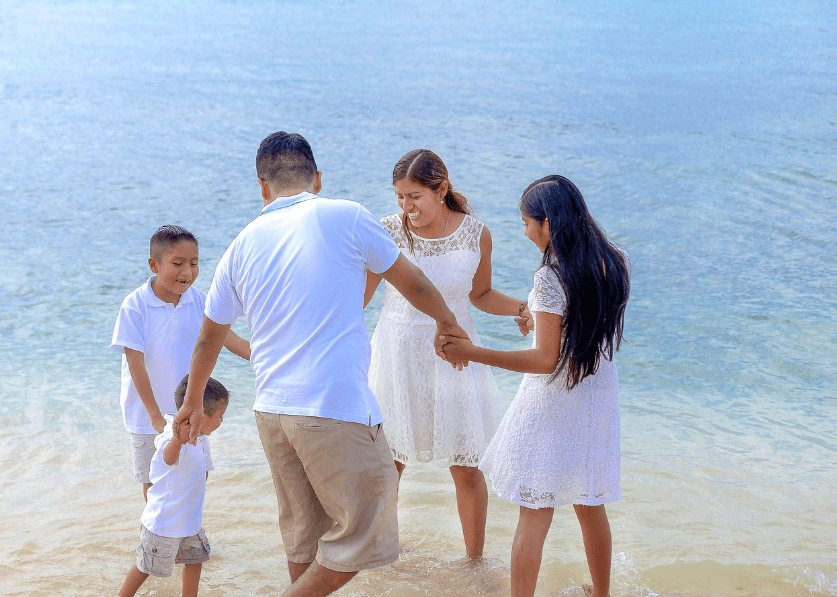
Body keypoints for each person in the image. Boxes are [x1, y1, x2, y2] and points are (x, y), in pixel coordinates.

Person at [173, 131, 470, 597]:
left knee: (304, 540)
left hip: (272, 413)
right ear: (317, 178)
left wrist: (191, 403)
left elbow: (208, 337)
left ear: (262, 187)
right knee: (365, 534)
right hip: (334, 406)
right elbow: (413, 284)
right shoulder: (346, 215)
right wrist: (449, 323)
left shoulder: (240, 245)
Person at [439, 175, 630, 597]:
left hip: (555, 400)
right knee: (589, 501)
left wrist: (471, 351)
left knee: (535, 508)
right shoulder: (614, 261)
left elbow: (546, 360)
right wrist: (541, 321)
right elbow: (580, 333)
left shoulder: (549, 277)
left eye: (526, 222)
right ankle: (601, 594)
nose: (525, 232)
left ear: (548, 222)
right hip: (597, 394)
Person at [364, 149, 533, 562]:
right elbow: (360, 300)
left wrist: (522, 308)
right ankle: (380, 551)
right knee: (390, 461)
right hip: (396, 353)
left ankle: (474, 560)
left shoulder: (476, 233)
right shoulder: (386, 232)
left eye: (415, 196)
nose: (407, 207)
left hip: (456, 353)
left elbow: (480, 295)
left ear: (441, 190)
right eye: (400, 196)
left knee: (466, 462)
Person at [111, 225, 250, 501]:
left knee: (197, 475)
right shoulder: (135, 306)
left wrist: (269, 357)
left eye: (194, 263)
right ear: (154, 264)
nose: (187, 272)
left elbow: (227, 338)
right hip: (146, 418)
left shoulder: (200, 301)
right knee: (155, 483)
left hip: (192, 412)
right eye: (178, 264)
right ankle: (158, 538)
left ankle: (189, 534)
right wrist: (153, 416)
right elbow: (135, 365)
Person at [118, 376, 230, 597]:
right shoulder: (172, 435)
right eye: (220, 416)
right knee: (145, 567)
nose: (222, 421)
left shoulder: (202, 436)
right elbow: (168, 458)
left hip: (190, 521)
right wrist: (178, 440)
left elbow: (201, 472)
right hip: (164, 523)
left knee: (196, 560)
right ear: (201, 416)